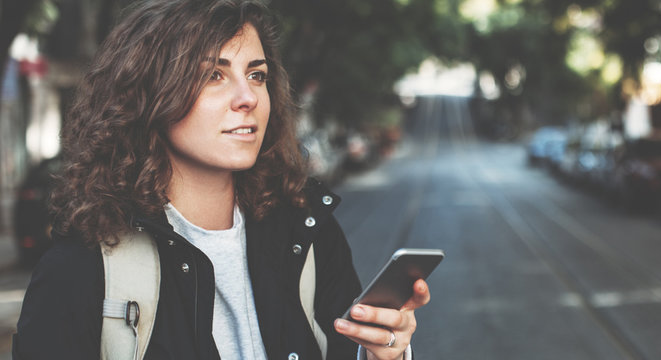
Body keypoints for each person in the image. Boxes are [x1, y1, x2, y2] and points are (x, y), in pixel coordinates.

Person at [13, 0, 430, 359]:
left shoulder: (307, 232)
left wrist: (382, 351)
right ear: (148, 95)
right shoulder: (81, 268)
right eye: (214, 74)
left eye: (256, 75)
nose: (247, 97)